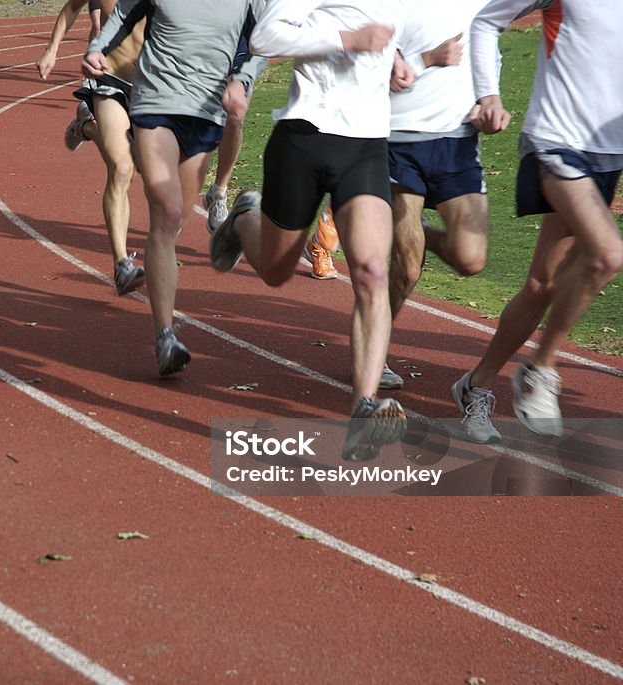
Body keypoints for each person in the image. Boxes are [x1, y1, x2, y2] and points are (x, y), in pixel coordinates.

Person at [209, 0, 421, 460]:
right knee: (275, 271)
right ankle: (245, 220)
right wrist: (347, 40)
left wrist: (397, 59)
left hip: (366, 143)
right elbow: (264, 38)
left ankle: (364, 408)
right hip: (304, 137)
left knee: (371, 271)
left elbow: (388, 34)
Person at [453, 0, 623, 440]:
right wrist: (488, 93)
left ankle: (476, 386)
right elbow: (486, 20)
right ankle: (540, 369)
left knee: (543, 284)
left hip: (608, 155)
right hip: (556, 141)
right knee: (607, 254)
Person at [85, 0, 266, 376]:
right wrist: (97, 48)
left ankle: (228, 231)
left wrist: (241, 81)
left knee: (178, 218)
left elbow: (262, 41)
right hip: (156, 100)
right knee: (166, 215)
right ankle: (164, 336)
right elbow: (123, 14)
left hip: (205, 112)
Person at [378, 4, 494, 397]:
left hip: (457, 143)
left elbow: (486, 55)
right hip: (397, 140)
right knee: (407, 268)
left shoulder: (482, 5)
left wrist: (486, 101)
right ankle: (375, 352)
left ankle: (416, 233)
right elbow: (371, 68)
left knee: (470, 258)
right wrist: (426, 59)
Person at [36, 0, 148, 296]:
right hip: (108, 78)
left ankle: (84, 127)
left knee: (142, 171)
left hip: (150, 86)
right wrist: (52, 50)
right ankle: (122, 264)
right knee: (122, 168)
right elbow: (72, 7)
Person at [201, 57, 269, 234]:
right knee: (200, 123)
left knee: (235, 117)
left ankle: (219, 192)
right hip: (204, 50)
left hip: (243, 51)